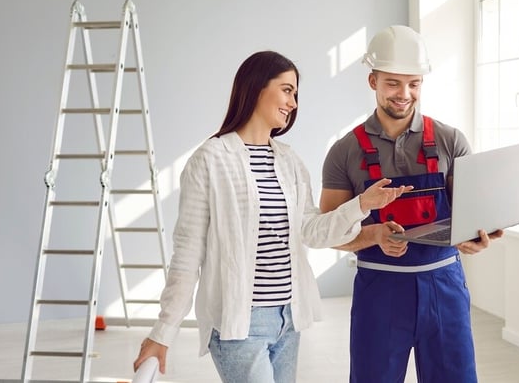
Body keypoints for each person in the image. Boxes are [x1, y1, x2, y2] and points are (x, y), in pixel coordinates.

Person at [132, 50, 412, 383]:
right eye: (287, 90)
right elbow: (187, 255)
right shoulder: (210, 160)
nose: (293, 103)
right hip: (240, 325)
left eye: (295, 94)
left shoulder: (289, 162)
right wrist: (163, 333)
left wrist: (362, 204)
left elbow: (312, 231)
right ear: (255, 88)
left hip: (287, 321)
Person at [320, 25, 503, 383]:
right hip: (381, 293)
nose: (404, 94)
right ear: (373, 81)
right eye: (392, 83)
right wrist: (372, 236)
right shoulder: (345, 152)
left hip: (445, 288)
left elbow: (470, 216)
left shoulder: (450, 141)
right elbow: (326, 232)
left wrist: (476, 237)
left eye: (414, 83)